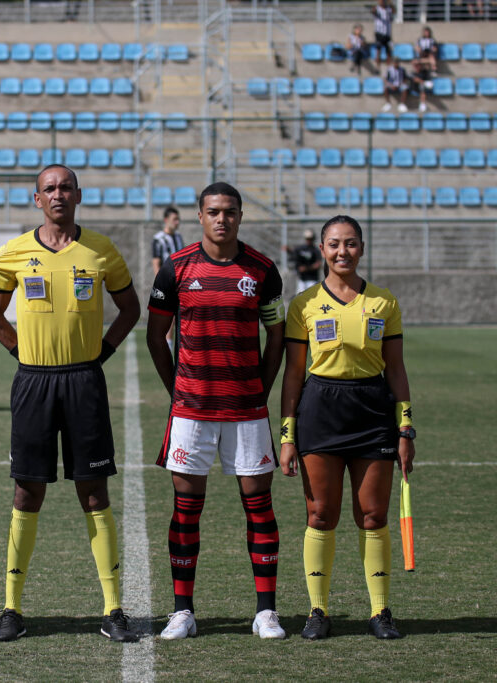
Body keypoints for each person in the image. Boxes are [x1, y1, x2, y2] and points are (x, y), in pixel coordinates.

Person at [0, 165, 141, 643]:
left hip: (84, 382)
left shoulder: (100, 250)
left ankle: (113, 608)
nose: (58, 195)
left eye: (65, 188)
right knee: (27, 492)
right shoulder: (12, 253)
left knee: (93, 492)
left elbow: (130, 308)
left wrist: (102, 354)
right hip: (33, 382)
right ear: (37, 199)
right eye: (49, 189)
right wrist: (19, 352)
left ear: (78, 195)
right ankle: (11, 608)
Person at [146, 182, 287, 640]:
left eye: (229, 211)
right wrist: (177, 392)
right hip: (192, 413)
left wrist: (259, 390)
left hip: (246, 412)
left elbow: (277, 337)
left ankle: (266, 612)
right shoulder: (176, 268)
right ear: (199, 216)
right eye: (213, 211)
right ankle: (182, 611)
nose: (221, 219)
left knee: (259, 507)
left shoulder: (264, 270)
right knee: (186, 509)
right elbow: (156, 337)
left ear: (240, 215)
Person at [279, 215, 414, 641]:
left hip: (372, 411)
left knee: (372, 515)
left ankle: (380, 611)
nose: (343, 252)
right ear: (321, 250)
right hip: (320, 410)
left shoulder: (383, 302)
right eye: (334, 244)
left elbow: (396, 370)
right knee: (321, 514)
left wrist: (405, 428)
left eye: (351, 244)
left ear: (362, 249)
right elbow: (293, 376)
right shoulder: (303, 304)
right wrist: (287, 435)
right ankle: (318, 610)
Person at [151, 206, 184, 279]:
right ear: (166, 220)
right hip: (166, 280)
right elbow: (156, 263)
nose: (177, 222)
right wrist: (160, 282)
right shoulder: (158, 239)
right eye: (174, 219)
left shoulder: (178, 237)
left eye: (178, 219)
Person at [293, 229, 323, 295]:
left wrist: (306, 268)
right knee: (300, 299)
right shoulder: (300, 249)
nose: (309, 240)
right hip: (302, 280)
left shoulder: (315, 250)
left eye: (310, 239)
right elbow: (294, 255)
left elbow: (318, 264)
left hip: (312, 280)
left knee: (312, 298)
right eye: (307, 238)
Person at [371, 0, 395, 67]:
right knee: (378, 49)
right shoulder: (377, 9)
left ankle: (388, 66)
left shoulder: (389, 9)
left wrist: (390, 3)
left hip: (387, 33)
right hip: (379, 32)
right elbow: (373, 11)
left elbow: (394, 11)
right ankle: (378, 66)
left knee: (389, 50)